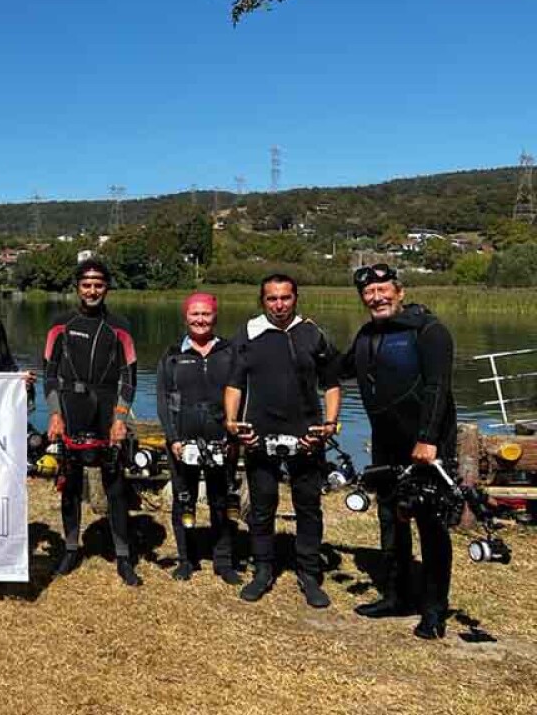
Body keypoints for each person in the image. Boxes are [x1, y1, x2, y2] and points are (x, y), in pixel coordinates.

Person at [342, 264, 456, 639]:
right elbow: (334, 369)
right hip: (386, 444)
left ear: (400, 291)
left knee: (430, 523)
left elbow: (438, 387)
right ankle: (396, 595)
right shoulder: (366, 335)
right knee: (391, 518)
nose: (376, 297)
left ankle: (434, 610)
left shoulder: (429, 331)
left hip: (427, 445)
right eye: (369, 293)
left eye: (383, 289)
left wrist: (428, 438)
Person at [224, 274, 341, 608]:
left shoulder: (312, 333)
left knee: (308, 507)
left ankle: (309, 573)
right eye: (272, 299)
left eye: (285, 298)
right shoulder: (249, 333)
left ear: (296, 298)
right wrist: (232, 422)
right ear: (263, 301)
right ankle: (262, 570)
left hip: (307, 434)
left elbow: (332, 382)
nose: (279, 305)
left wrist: (330, 423)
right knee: (262, 507)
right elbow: (234, 383)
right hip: (259, 432)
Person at [43, 258, 141, 586]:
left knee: (115, 486)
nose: (92, 290)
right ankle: (71, 549)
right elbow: (49, 374)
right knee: (70, 485)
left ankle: (123, 556)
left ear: (107, 288)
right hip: (70, 410)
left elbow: (129, 377)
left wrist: (120, 418)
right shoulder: (61, 324)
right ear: (78, 288)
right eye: (86, 284)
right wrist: (55, 414)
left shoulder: (120, 325)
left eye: (98, 284)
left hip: (106, 412)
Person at [156, 292, 242, 585]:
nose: (200, 320)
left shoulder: (230, 352)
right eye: (195, 314)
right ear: (186, 317)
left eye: (206, 314)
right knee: (184, 500)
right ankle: (186, 559)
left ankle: (224, 561)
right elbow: (163, 400)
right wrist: (173, 438)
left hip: (221, 437)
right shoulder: (172, 355)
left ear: (215, 317)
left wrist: (235, 438)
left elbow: (241, 396)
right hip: (183, 439)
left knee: (222, 499)